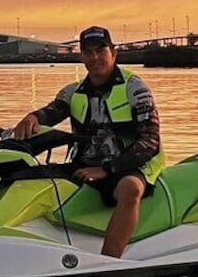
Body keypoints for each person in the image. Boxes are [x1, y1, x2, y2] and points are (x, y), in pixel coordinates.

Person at [13, 26, 164, 258]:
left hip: (130, 165)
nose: (94, 57)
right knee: (29, 177)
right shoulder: (73, 92)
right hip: (85, 163)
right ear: (81, 56)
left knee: (129, 190)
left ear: (113, 53)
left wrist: (107, 169)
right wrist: (32, 118)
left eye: (100, 50)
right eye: (88, 52)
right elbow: (52, 112)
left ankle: (108, 262)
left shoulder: (135, 89)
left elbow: (151, 141)